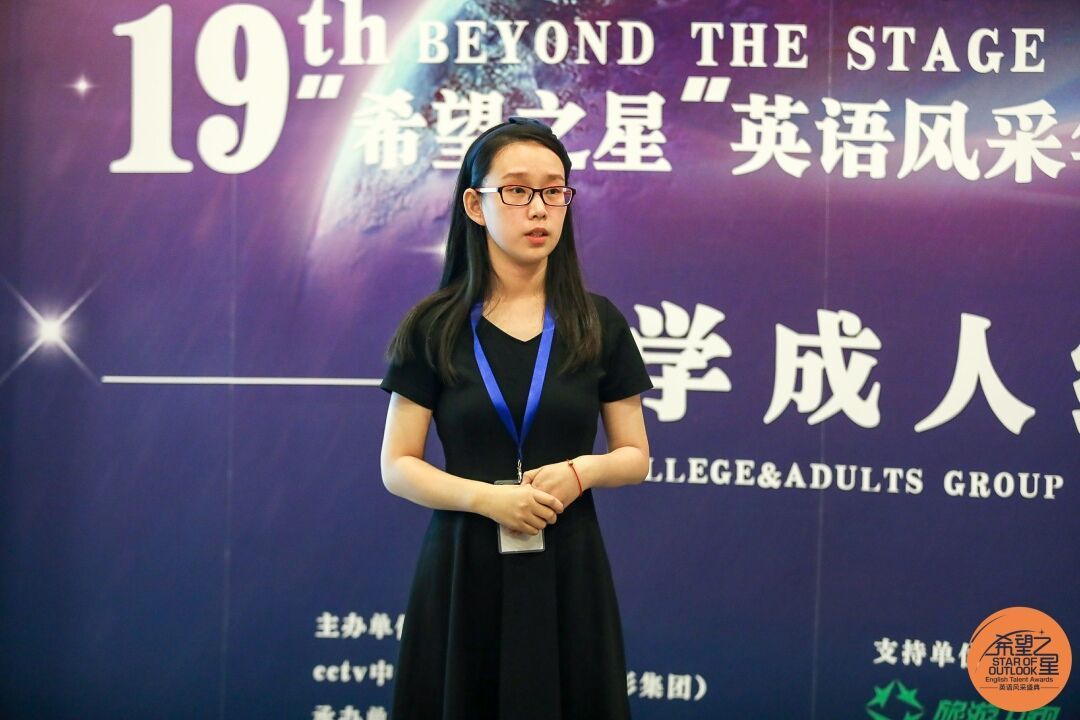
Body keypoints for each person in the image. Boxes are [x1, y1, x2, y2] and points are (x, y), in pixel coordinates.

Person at [379, 116, 653, 720]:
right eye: (518, 190)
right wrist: (487, 499)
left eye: (554, 191)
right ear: (475, 206)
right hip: (465, 564)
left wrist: (581, 472)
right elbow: (397, 465)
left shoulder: (598, 323)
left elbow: (635, 456)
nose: (539, 209)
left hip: (568, 561)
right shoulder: (434, 326)